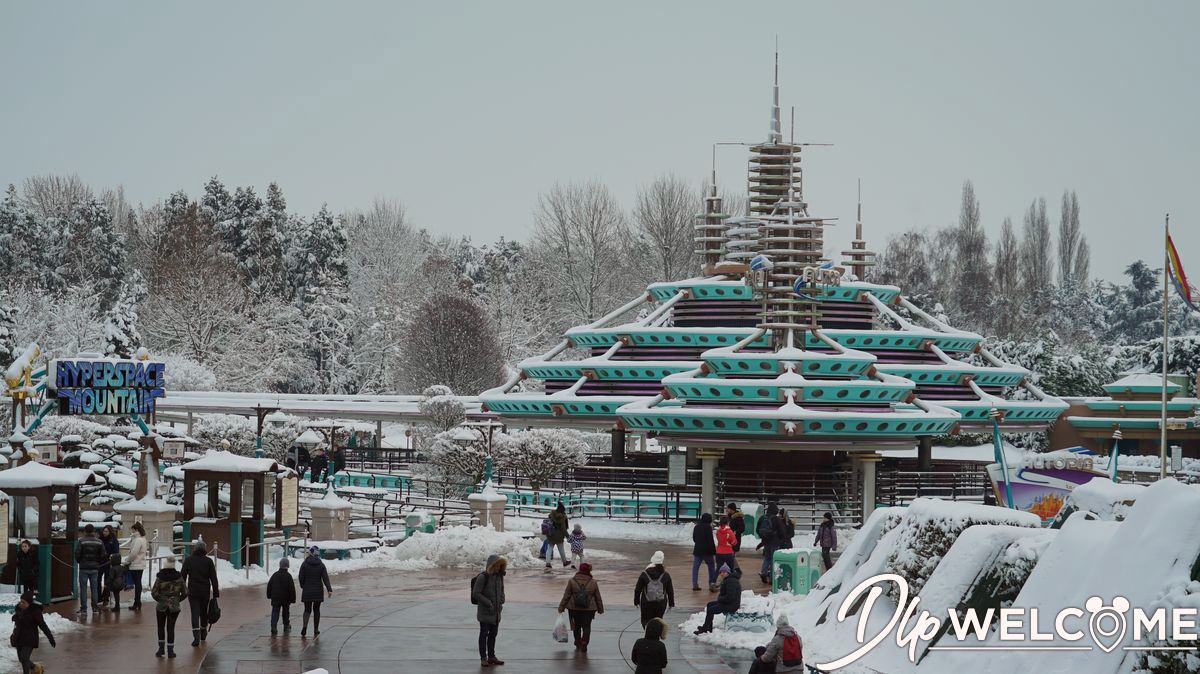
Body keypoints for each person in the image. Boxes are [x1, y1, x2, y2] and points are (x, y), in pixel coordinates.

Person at [181, 539, 220, 646]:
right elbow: (213, 578)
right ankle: (203, 633)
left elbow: (182, 576)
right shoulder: (208, 561)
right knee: (203, 612)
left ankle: (196, 637)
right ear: (204, 549)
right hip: (205, 591)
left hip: (192, 591)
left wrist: (182, 590)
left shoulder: (189, 560)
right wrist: (216, 592)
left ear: (195, 549)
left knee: (195, 613)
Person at [557, 561, 603, 652]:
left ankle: (578, 642)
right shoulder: (593, 582)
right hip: (589, 609)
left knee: (576, 626)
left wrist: (561, 608)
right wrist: (600, 609)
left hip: (574, 608)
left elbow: (566, 596)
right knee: (587, 626)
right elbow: (598, 596)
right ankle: (584, 641)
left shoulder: (572, 581)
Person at [472, 554, 507, 667]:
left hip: (496, 612)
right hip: (485, 612)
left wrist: (502, 600)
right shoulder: (483, 577)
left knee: (493, 634)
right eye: (496, 566)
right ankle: (483, 657)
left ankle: (491, 656)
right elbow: (476, 593)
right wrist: (488, 603)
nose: (497, 568)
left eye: (499, 566)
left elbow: (501, 590)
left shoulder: (499, 576)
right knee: (484, 634)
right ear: (491, 566)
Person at [151, 553, 187, 658]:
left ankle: (161, 649)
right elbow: (185, 592)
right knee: (171, 628)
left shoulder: (160, 577)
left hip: (161, 606)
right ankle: (170, 651)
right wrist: (177, 600)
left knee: (160, 627)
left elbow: (154, 592)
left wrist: (160, 599)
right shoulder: (179, 578)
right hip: (174, 607)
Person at [11, 590, 54, 674]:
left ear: (29, 603)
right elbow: (17, 623)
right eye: (21, 601)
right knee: (22, 659)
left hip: (30, 638)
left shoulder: (35, 612)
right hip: (19, 637)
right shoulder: (19, 609)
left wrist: (50, 638)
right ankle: (35, 668)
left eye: (24, 602)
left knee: (24, 657)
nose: (21, 604)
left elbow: (43, 625)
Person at [693, 563, 741, 634]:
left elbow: (730, 597)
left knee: (711, 610)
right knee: (709, 604)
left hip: (731, 605)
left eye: (724, 572)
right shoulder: (728, 580)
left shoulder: (731, 581)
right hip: (728, 602)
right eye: (721, 572)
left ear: (728, 572)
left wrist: (720, 599)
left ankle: (705, 628)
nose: (722, 574)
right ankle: (708, 627)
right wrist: (721, 598)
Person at [633, 551, 674, 627]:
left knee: (645, 621)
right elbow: (670, 591)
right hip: (661, 603)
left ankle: (647, 634)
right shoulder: (666, 575)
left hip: (646, 603)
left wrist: (636, 601)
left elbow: (637, 589)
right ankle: (656, 636)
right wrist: (671, 603)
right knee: (658, 622)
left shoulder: (644, 574)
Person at [298, 545, 332, 637]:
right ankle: (316, 629)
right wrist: (329, 589)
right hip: (318, 590)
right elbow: (325, 578)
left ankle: (304, 627)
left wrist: (303, 586)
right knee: (316, 610)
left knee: (307, 609)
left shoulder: (305, 564)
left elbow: (301, 577)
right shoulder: (321, 565)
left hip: (307, 590)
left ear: (310, 553)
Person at [74, 524, 105, 614]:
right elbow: (103, 554)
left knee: (83, 589)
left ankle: (83, 608)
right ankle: (95, 607)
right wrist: (97, 562)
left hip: (84, 568)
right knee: (94, 588)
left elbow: (77, 554)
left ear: (85, 531)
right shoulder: (99, 542)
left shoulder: (81, 541)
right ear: (94, 531)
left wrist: (80, 561)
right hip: (95, 568)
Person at [266, 557, 296, 635]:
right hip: (286, 598)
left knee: (275, 612)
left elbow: (269, 586)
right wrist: (293, 599)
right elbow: (292, 588)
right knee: (286, 612)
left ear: (280, 565)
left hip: (276, 598)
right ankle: (286, 625)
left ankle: (273, 626)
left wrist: (269, 595)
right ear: (288, 566)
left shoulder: (275, 575)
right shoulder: (288, 576)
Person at [756, 504, 782, 584]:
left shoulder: (762, 518)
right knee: (774, 560)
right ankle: (771, 579)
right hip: (775, 542)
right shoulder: (776, 519)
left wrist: (763, 537)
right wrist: (780, 539)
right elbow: (781, 531)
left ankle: (764, 573)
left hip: (766, 542)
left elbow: (757, 529)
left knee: (767, 558)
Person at [691, 513, 717, 591]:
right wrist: (714, 551)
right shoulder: (708, 527)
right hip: (707, 551)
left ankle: (695, 585)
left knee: (695, 568)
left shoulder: (696, 527)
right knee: (711, 567)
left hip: (697, 550)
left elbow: (694, 538)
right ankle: (711, 584)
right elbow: (710, 540)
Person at [125, 522, 148, 611]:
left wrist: (128, 560)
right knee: (138, 583)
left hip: (136, 564)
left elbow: (134, 553)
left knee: (137, 583)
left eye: (133, 529)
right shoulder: (142, 538)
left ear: (136, 529)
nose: (132, 531)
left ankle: (137, 602)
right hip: (140, 563)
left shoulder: (137, 540)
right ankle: (137, 602)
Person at [98, 524, 119, 607]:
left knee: (107, 581)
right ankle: (99, 597)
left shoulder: (113, 540)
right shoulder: (100, 539)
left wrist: (111, 559)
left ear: (110, 532)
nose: (105, 533)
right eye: (104, 531)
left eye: (106, 531)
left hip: (109, 563)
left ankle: (106, 597)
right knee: (97, 580)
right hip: (100, 563)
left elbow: (116, 551)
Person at [544, 503, 569, 570]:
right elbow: (563, 529)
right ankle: (564, 562)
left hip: (550, 535)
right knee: (561, 549)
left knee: (549, 549)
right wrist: (568, 536)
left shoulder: (551, 515)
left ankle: (548, 563)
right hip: (559, 536)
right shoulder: (562, 518)